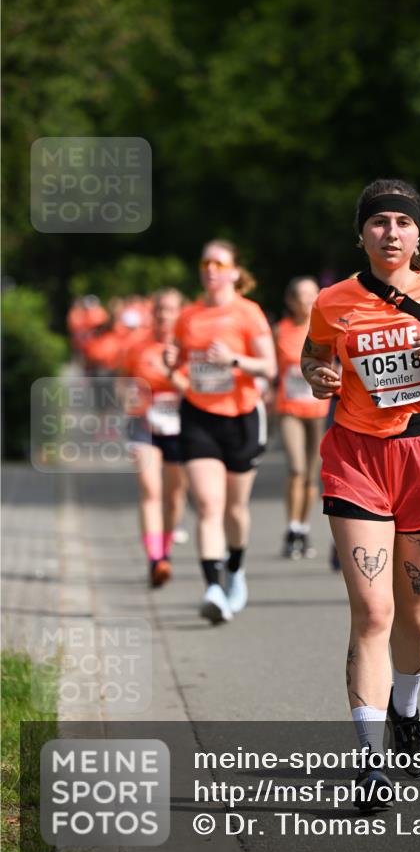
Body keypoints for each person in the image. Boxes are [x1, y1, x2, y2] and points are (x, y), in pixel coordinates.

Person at [301, 178, 420, 808]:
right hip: (356, 457)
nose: (391, 233)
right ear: (362, 233)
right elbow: (313, 357)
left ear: (416, 235)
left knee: (414, 616)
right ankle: (369, 759)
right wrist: (319, 375)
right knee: (373, 613)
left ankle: (407, 713)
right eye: (378, 222)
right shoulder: (333, 301)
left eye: (402, 224)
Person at [165, 240, 277, 623]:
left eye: (219, 262)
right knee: (209, 505)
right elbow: (179, 362)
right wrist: (171, 365)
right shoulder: (189, 316)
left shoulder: (248, 313)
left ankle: (235, 570)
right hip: (199, 417)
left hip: (242, 417)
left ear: (232, 271)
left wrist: (234, 360)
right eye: (205, 262)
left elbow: (270, 367)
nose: (211, 268)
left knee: (234, 508)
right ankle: (212, 587)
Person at [123, 289, 190, 587]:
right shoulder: (137, 345)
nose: (164, 315)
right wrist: (127, 396)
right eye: (159, 309)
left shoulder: (189, 346)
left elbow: (197, 388)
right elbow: (122, 379)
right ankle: (155, 559)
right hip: (144, 425)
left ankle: (165, 549)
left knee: (174, 496)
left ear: (180, 313)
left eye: (170, 310)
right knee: (150, 490)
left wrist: (173, 376)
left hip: (182, 426)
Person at [274, 277, 330, 559]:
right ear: (291, 301)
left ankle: (304, 528)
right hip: (290, 410)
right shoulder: (280, 331)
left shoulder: (326, 328)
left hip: (318, 410)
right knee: (296, 469)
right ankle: (292, 527)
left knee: (311, 475)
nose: (307, 300)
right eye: (301, 295)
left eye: (312, 294)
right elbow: (271, 368)